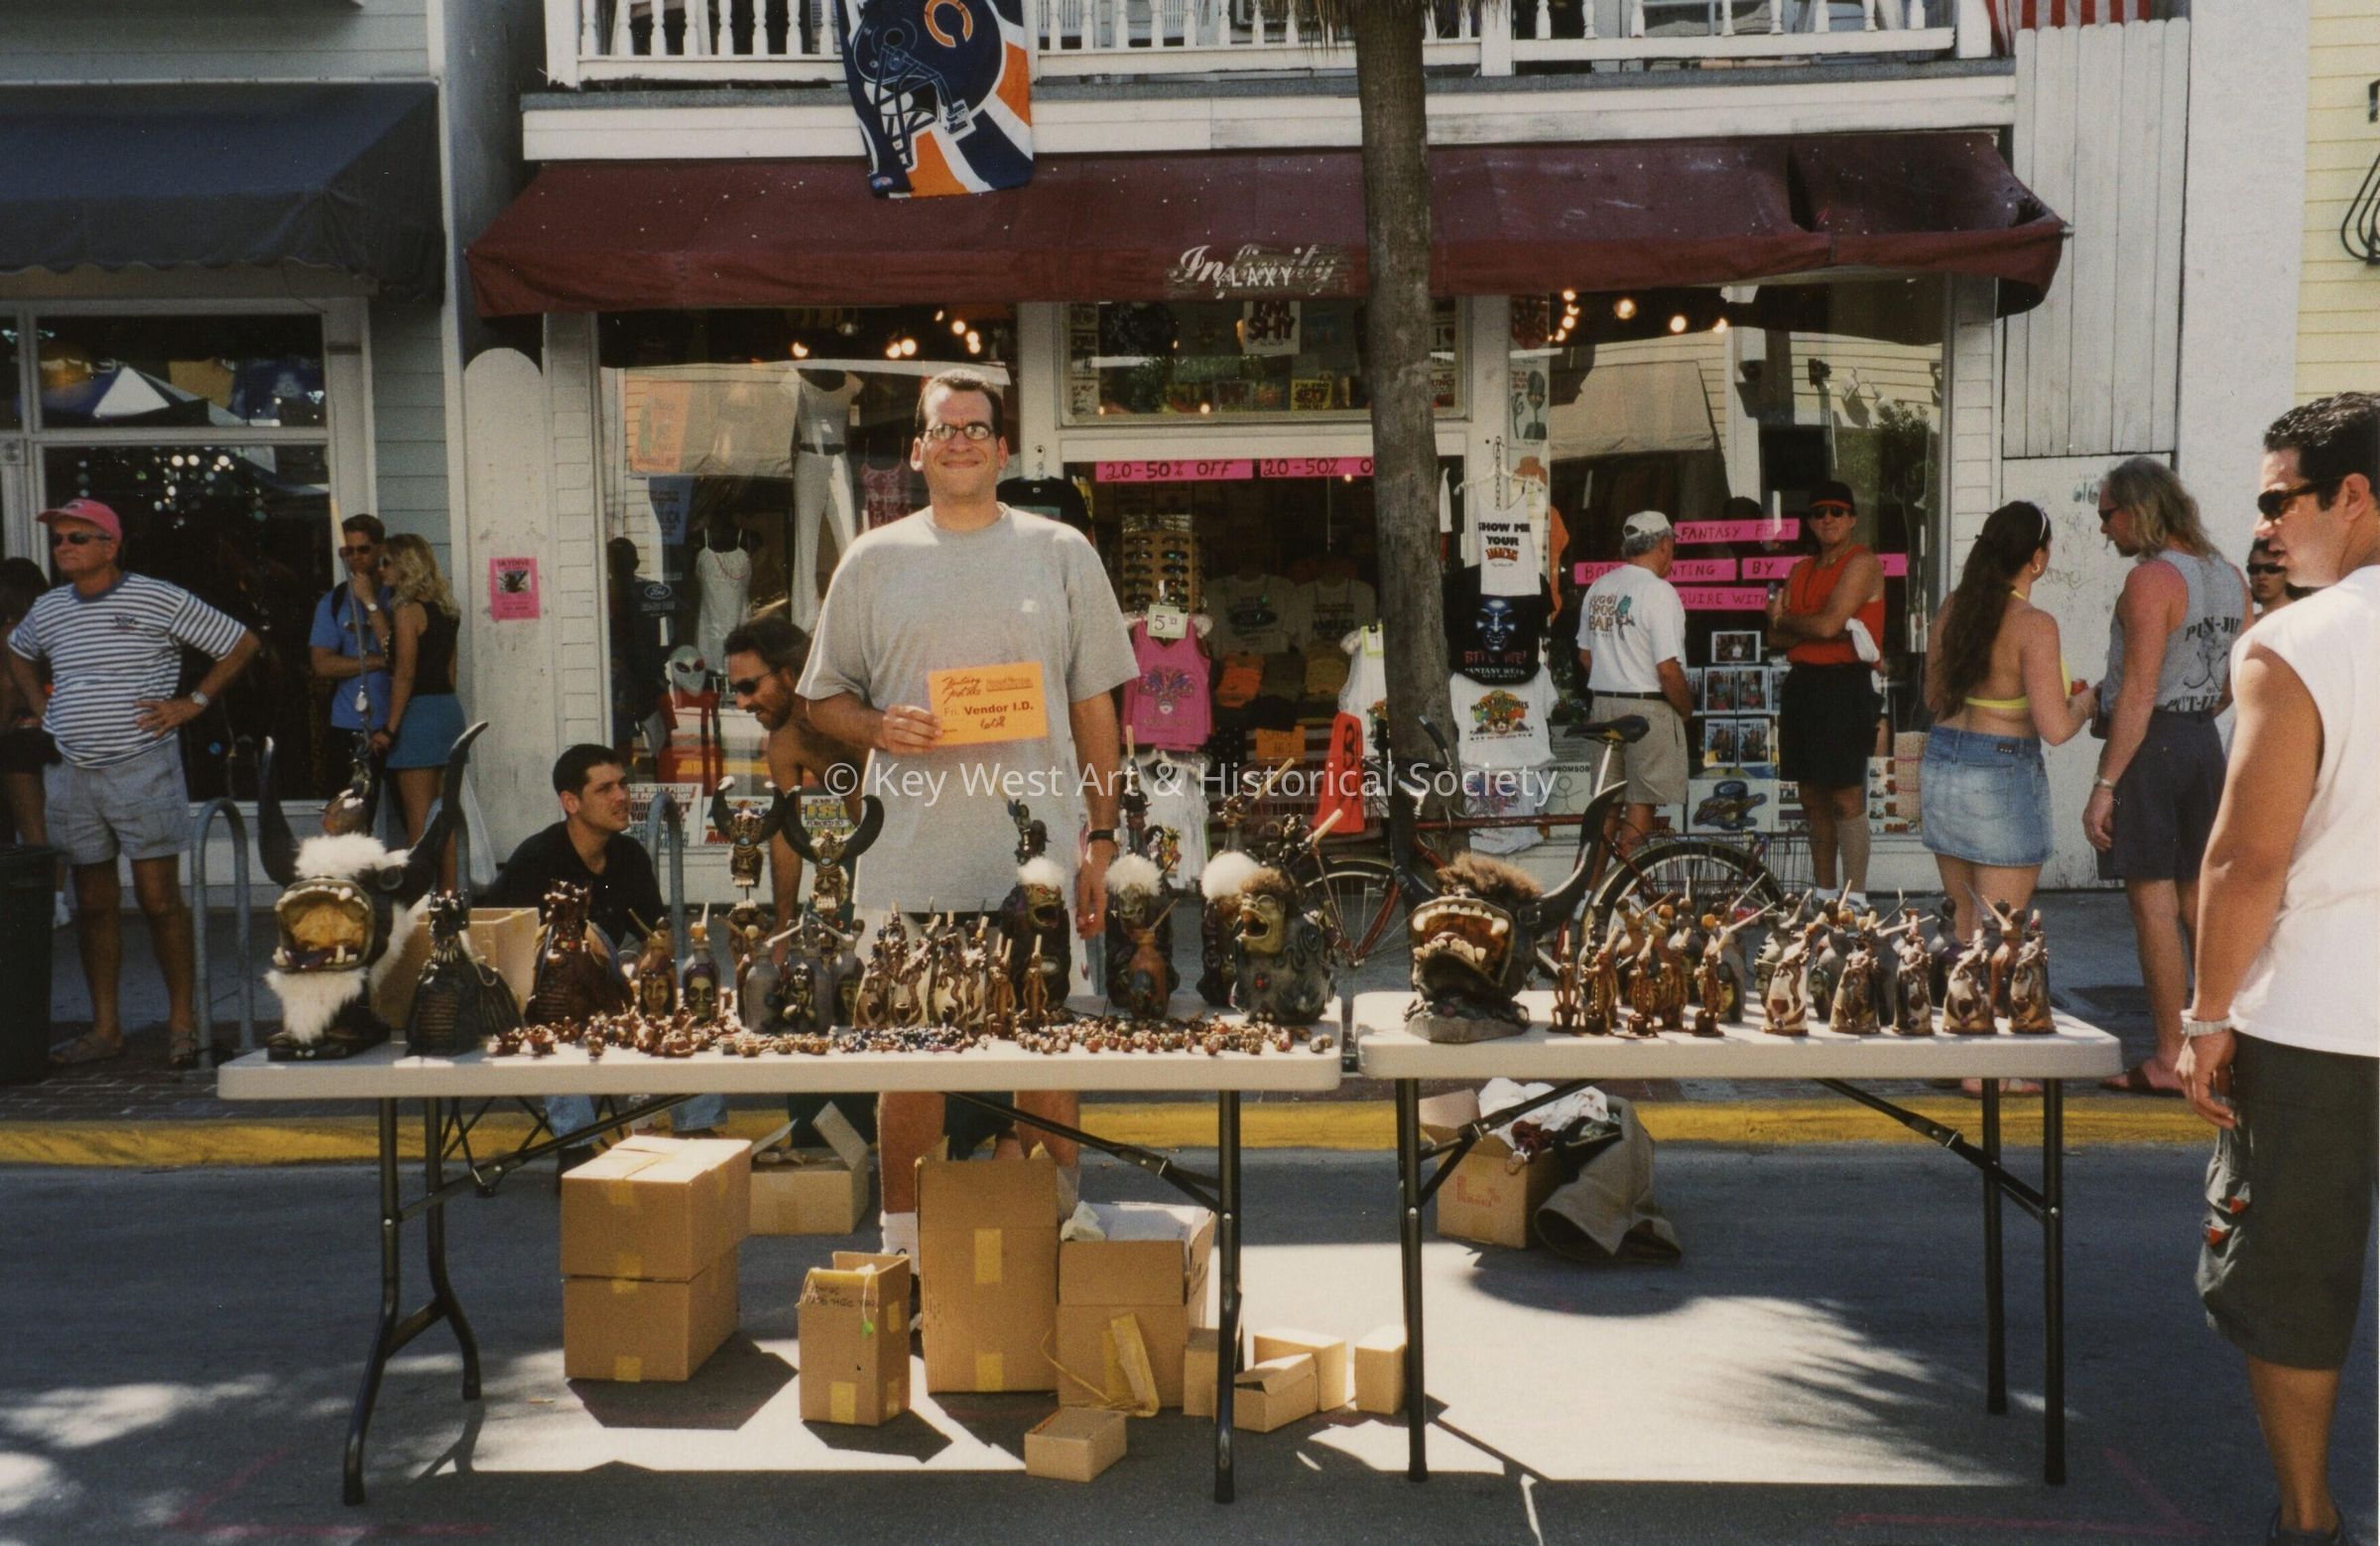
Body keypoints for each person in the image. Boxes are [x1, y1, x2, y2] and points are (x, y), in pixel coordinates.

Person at [799, 367, 1138, 1262]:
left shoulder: (1061, 551)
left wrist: (1102, 839)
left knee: (1046, 1053)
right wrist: (878, 726)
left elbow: (1095, 706)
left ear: (1002, 448)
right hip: (906, 856)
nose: (959, 442)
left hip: (1037, 861)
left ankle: (1054, 1233)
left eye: (976, 428)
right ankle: (904, 1250)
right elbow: (820, 701)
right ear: (916, 451)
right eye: (943, 429)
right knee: (909, 1062)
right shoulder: (872, 560)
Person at [2178, 392, 2378, 1546]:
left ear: (2351, 495)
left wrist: (2204, 1016)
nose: (2261, 527)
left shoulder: (2294, 644)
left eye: (2274, 500)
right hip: (2323, 1012)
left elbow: (2243, 858)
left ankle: (2306, 1518)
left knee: (2293, 1279)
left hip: (2318, 1016)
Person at [4, 498, 261, 1070]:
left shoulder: (154, 596)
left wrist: (193, 702)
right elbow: (17, 652)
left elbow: (240, 642)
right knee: (92, 902)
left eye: (77, 537)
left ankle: (183, 1025)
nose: (64, 547)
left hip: (142, 765)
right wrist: (41, 709)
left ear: (110, 546)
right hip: (71, 770)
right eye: (59, 539)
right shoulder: (49, 608)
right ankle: (106, 1030)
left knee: (158, 899)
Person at [1921, 502, 2098, 1097]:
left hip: (1944, 760)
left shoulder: (1955, 607)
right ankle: (1987, 1066)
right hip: (2001, 769)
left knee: (1962, 924)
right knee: (2003, 933)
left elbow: (1934, 698)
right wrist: (2088, 701)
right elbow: (2056, 727)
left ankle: (1958, 1046)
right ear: (2037, 559)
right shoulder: (2034, 623)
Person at [2087, 457, 2252, 1097]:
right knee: (2195, 902)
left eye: (2108, 514)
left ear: (2138, 510)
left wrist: (2105, 785)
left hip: (2151, 744)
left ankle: (2164, 1055)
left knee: (2153, 906)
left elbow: (2138, 692)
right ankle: (2216, 1044)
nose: (2104, 528)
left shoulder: (2151, 579)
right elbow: (2232, 684)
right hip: (2200, 740)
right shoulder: (2230, 576)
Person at [481, 744, 726, 1152]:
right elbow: (495, 945)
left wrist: (653, 957)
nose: (621, 797)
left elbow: (655, 931)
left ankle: (698, 1133)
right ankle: (578, 1150)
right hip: (539, 1002)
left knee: (684, 1006)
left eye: (623, 785)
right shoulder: (536, 859)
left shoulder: (628, 856)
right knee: (559, 1021)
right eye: (605, 789)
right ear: (571, 802)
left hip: (607, 994)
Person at [721, 613, 872, 1146]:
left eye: (748, 686)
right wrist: (782, 931)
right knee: (812, 984)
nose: (741, 702)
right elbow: (786, 835)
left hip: (910, 856)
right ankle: (824, 1142)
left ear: (788, 674)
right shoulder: (784, 740)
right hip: (854, 861)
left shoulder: (856, 701)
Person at [1767, 478, 1886, 907]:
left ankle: (1855, 898)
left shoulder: (1862, 562)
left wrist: (1790, 620)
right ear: (1809, 522)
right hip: (1803, 683)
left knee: (1845, 794)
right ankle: (1824, 892)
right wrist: (1812, 626)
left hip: (1845, 683)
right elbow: (1774, 638)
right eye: (1819, 513)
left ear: (1852, 519)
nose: (1828, 519)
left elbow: (1826, 624)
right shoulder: (1800, 570)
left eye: (1837, 511)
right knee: (1811, 794)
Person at [1574, 510, 1691, 852]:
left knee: (1606, 807)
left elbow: (1584, 656)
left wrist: (1615, 674)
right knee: (1641, 803)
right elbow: (1667, 669)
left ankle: (1592, 882)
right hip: (1646, 707)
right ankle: (1629, 883)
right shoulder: (1659, 591)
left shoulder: (1599, 587)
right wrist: (1685, 710)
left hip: (1604, 704)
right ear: (1664, 544)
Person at [371, 535, 466, 888]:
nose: (381, 570)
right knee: (445, 817)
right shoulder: (447, 608)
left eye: (386, 562)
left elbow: (405, 672)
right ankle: (449, 896)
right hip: (448, 711)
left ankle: (419, 900)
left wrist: (390, 728)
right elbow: (451, 671)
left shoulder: (406, 609)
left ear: (404, 565)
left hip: (418, 715)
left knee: (419, 822)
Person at [0, 558, 67, 928]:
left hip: (20, 735)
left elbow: (9, 686)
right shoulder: (55, 626)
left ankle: (44, 904)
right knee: (55, 821)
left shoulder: (11, 631)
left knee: (31, 826)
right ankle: (57, 898)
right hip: (56, 734)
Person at [308, 512, 393, 767]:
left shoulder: (397, 596)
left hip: (395, 720)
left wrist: (369, 601)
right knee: (350, 792)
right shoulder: (332, 602)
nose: (355, 557)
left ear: (381, 548)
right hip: (349, 720)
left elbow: (399, 653)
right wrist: (377, 661)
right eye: (348, 551)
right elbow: (322, 664)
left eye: (363, 549)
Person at [2244, 536, 2311, 623]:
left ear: (2288, 573)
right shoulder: (2247, 625)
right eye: (2254, 569)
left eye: (2272, 569)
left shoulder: (2304, 618)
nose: (2261, 576)